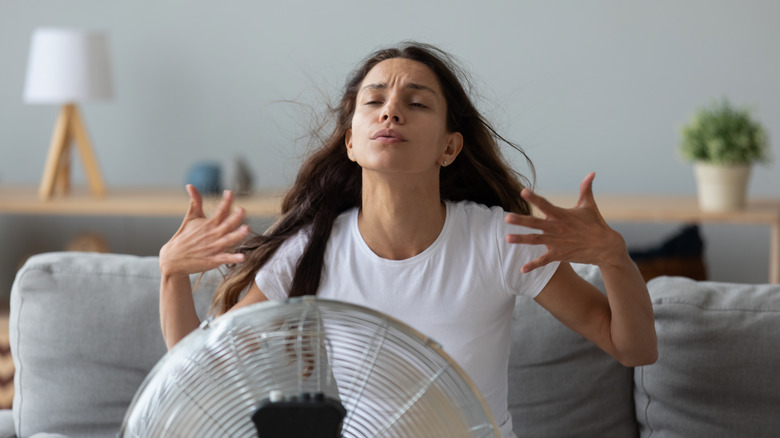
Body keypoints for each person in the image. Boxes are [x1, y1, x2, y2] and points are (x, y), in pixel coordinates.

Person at [159, 42, 657, 437]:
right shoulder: (309, 250)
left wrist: (614, 259)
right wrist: (172, 274)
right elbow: (195, 367)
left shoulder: (500, 240)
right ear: (351, 141)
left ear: (449, 147)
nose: (391, 112)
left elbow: (633, 348)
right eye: (374, 101)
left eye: (416, 103)